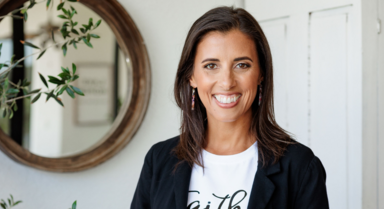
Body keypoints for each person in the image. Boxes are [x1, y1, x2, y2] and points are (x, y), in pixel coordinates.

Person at [131, 6, 329, 209]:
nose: (227, 82)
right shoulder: (159, 160)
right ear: (191, 76)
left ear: (261, 74)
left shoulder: (300, 167)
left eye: (242, 65)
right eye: (211, 66)